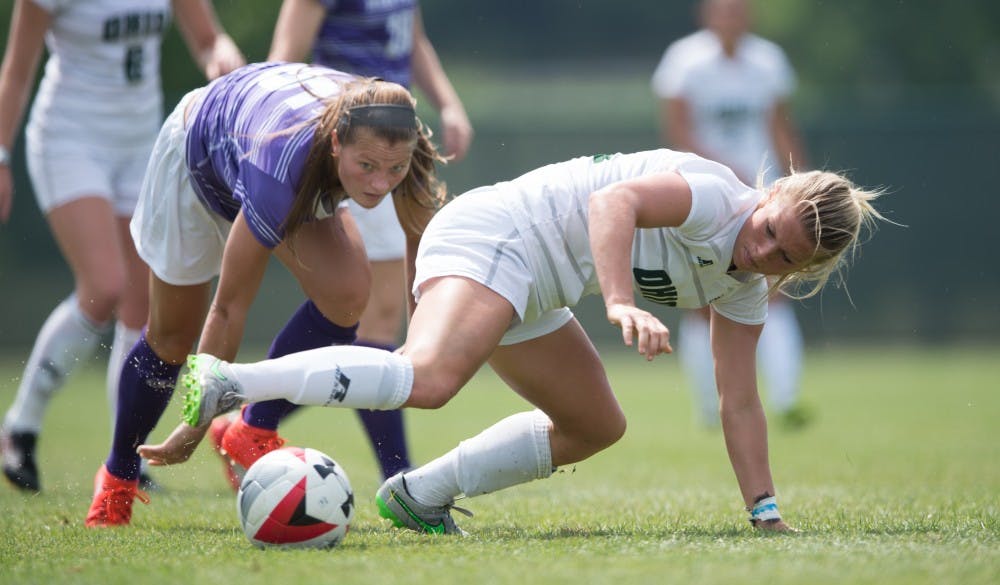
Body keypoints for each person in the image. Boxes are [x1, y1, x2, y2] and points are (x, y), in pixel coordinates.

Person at [141, 149, 886, 535]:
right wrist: (619, 302)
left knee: (597, 424)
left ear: (802, 270)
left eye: (784, 258)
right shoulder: (718, 197)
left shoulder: (746, 288)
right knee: (429, 378)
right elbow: (614, 201)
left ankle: (419, 495)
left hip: (537, 286)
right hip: (500, 234)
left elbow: (740, 401)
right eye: (769, 229)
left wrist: (764, 509)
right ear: (770, 194)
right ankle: (236, 381)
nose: (762, 251)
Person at [83, 61, 447, 526]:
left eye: (394, 168)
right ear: (337, 142)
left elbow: (420, 241)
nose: (380, 183)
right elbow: (229, 307)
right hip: (198, 159)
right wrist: (195, 426)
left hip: (280, 153)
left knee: (347, 295)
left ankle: (251, 428)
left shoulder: (401, 143)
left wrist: (419, 340)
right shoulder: (281, 169)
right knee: (172, 339)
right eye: (367, 166)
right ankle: (117, 478)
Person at [202, 0, 475, 490]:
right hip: (349, 162)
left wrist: (447, 101)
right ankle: (393, 471)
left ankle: (248, 422)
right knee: (370, 326)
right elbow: (283, 63)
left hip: (388, 156)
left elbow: (411, 40)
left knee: (374, 327)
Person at [0, 0, 244, 493]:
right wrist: (1, 155)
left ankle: (126, 457)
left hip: (141, 144)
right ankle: (19, 427)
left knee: (143, 308)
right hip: (70, 139)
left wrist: (223, 58)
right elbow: (18, 70)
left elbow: (208, 39)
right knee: (103, 287)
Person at [651, 0, 811, 428]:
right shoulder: (684, 60)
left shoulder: (768, 60)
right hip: (706, 192)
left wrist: (801, 180)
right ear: (707, 14)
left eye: (738, 9)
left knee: (772, 290)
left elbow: (780, 126)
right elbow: (677, 130)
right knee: (701, 297)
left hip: (763, 194)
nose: (730, 17)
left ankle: (787, 399)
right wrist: (723, 170)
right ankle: (709, 407)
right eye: (722, 9)